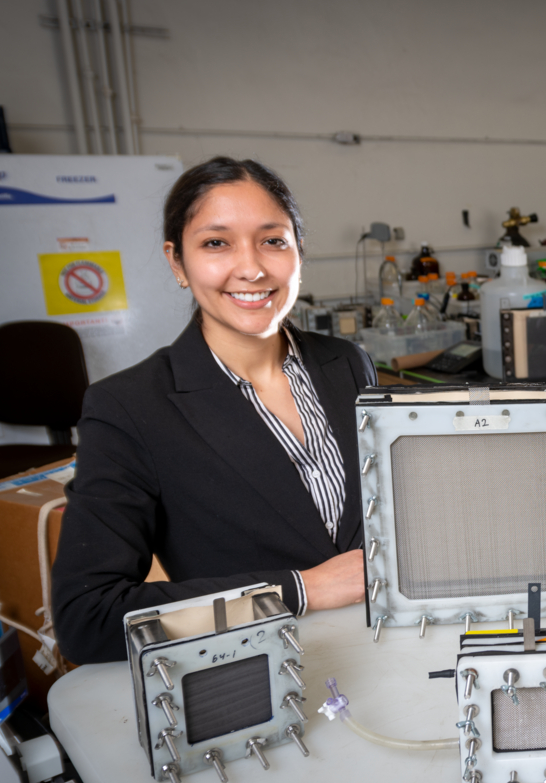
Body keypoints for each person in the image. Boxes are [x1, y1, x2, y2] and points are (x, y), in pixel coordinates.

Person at [52, 157, 372, 664]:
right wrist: (299, 590)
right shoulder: (130, 408)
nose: (251, 267)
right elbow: (87, 618)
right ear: (177, 262)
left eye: (273, 240)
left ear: (298, 253)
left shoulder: (346, 363)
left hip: (390, 653)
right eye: (216, 243)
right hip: (256, 676)